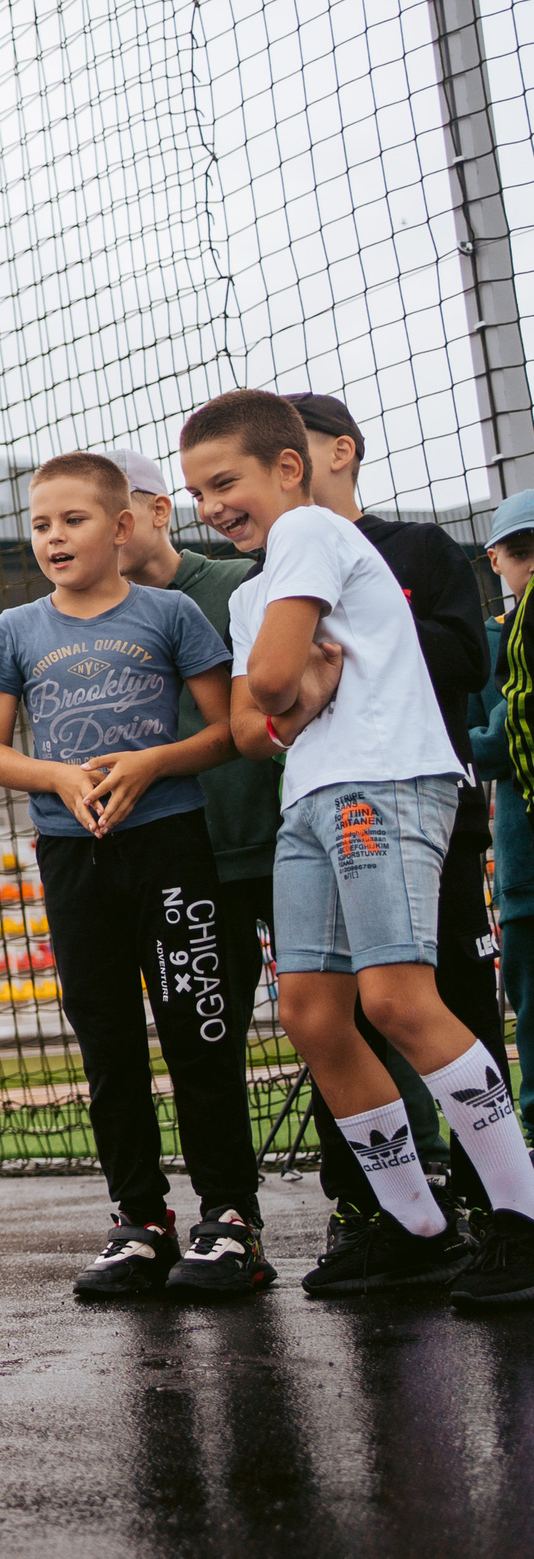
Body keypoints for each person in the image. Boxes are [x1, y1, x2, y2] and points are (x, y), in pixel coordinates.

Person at [183, 387, 534, 1306]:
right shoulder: (252, 590)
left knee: (397, 999)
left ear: (288, 467)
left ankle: (523, 1213)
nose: (211, 506)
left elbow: (267, 683)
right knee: (312, 1013)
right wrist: (298, 694)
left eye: (225, 482)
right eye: (198, 492)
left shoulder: (311, 531)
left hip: (383, 778)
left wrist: (288, 690)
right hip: (309, 795)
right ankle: (417, 1227)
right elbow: (255, 727)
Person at [0, 452, 272, 1295]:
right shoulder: (14, 630)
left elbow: (227, 730)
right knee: (106, 1039)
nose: (55, 537)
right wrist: (59, 777)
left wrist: (150, 764)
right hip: (73, 855)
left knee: (198, 1032)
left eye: (74, 520)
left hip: (172, 846)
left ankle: (231, 1218)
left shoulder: (171, 613)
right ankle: (140, 1219)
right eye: (40, 524)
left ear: (122, 525)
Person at [286, 394, 503, 1238]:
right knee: (337, 1011)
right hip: (328, 808)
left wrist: (365, 623)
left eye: (295, 449)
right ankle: (380, 1209)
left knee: (451, 1000)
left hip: (427, 798)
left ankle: (497, 1203)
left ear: (339, 451)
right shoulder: (273, 570)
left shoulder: (417, 547)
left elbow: (466, 655)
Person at [105, 448, 284, 1078]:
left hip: (286, 846)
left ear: (159, 510)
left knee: (339, 1022)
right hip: (184, 861)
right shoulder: (87, 624)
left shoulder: (242, 583)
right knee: (206, 1048)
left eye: (113, 510)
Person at [472, 493, 534, 1128]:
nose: (533, 564)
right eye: (520, 552)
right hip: (524, 865)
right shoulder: (488, 641)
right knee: (531, 1004)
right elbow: (473, 748)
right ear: (495, 560)